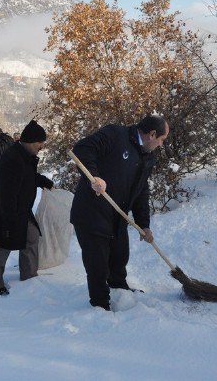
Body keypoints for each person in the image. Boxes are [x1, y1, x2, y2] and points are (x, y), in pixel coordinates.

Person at [70, 115, 169, 310]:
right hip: (92, 213)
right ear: (152, 134)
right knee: (97, 264)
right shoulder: (116, 135)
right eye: (162, 139)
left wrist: (144, 225)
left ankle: (119, 289)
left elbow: (141, 191)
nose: (161, 144)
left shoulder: (148, 156)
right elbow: (82, 149)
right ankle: (100, 304)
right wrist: (95, 176)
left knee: (119, 256)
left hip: (117, 216)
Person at [0, 120, 54, 296]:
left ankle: (29, 277)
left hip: (20, 210)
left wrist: (41, 180)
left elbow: (27, 176)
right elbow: (6, 194)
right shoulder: (13, 159)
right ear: (30, 142)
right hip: (3, 213)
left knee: (32, 237)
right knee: (1, 246)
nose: (42, 146)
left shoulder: (24, 155)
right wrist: (8, 223)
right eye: (40, 143)